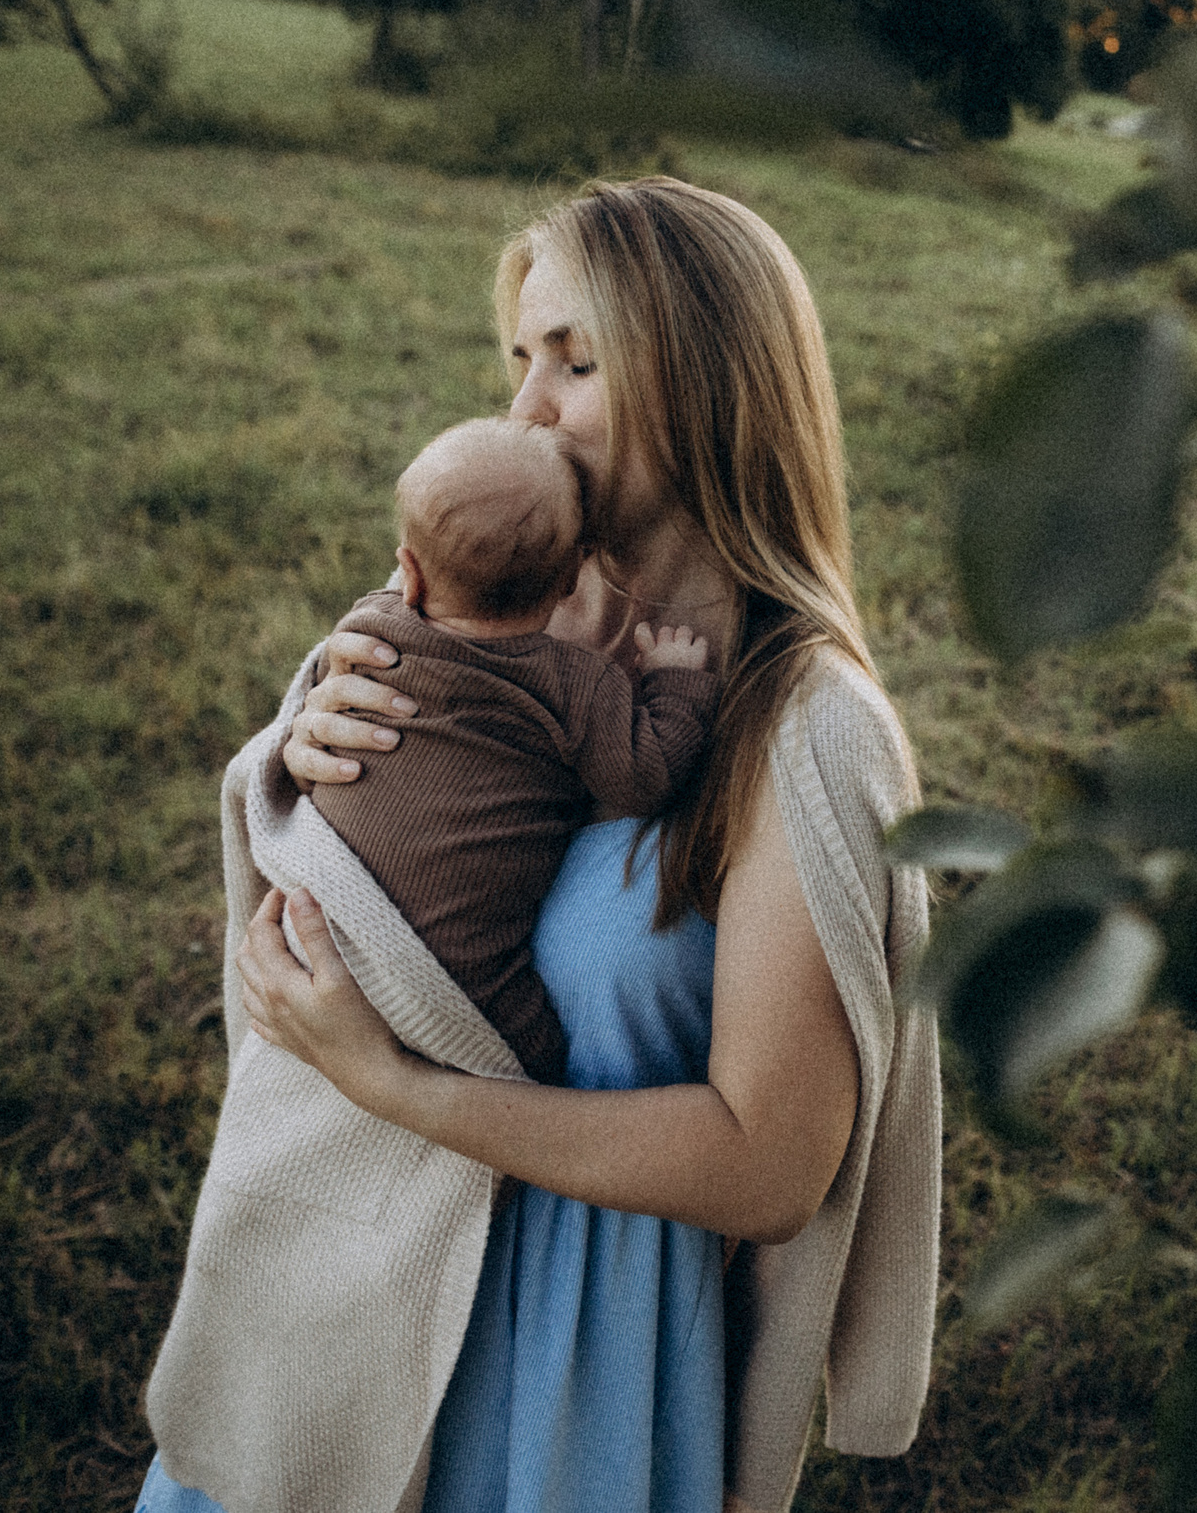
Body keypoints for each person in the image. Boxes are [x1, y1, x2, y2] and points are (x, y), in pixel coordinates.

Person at [136, 177, 940, 1513]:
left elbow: (769, 1165)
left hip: (576, 1353)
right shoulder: (504, 622)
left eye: (577, 360)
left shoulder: (804, 724)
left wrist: (401, 1085)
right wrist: (307, 730)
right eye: (520, 359)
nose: (526, 409)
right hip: (360, 1304)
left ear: (706, 381)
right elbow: (364, 854)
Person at [314, 414, 719, 1085]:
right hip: (465, 978)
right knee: (544, 1065)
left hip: (332, 927)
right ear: (568, 582)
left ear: (407, 575)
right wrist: (678, 686)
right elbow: (645, 775)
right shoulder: (573, 682)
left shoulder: (370, 630)